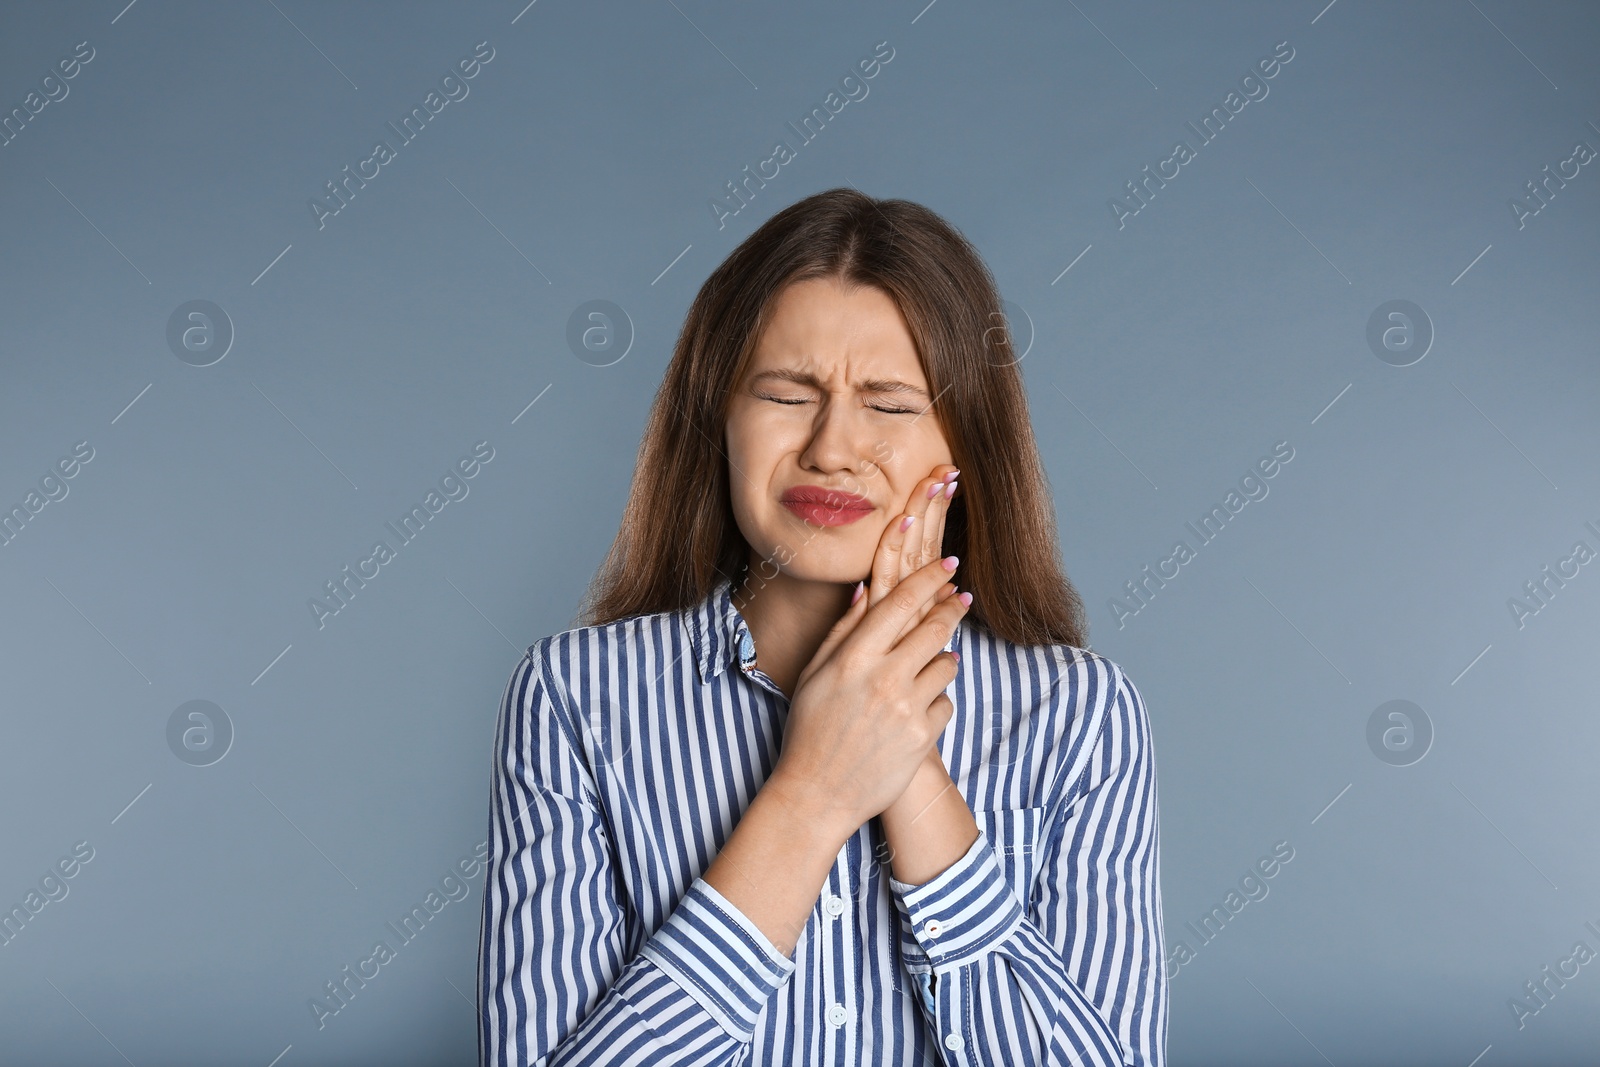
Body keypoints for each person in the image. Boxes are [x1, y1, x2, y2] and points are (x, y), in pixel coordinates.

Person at [478, 187, 1167, 1066]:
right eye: (785, 393)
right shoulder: (573, 698)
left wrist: (906, 759)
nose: (833, 447)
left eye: (888, 403)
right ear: (718, 422)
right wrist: (813, 795)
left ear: (967, 444)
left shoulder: (1083, 715)